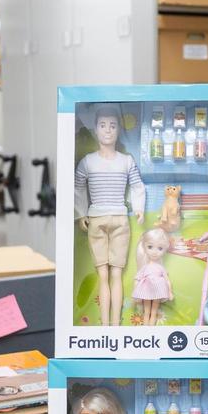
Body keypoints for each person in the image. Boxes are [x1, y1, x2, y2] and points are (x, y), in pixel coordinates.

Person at [74, 104, 146, 325]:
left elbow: (137, 186)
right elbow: (77, 187)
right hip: (96, 219)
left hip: (120, 219)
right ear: (95, 129)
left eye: (112, 126)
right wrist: (80, 213)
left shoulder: (126, 161)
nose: (107, 130)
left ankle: (115, 326)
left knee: (116, 274)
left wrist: (139, 208)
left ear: (118, 130)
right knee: (103, 274)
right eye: (103, 125)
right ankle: (105, 326)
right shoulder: (88, 161)